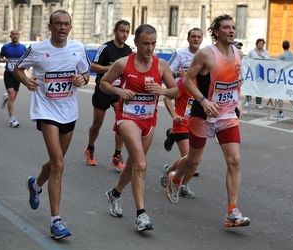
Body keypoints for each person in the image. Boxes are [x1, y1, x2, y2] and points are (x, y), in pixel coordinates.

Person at [165, 14, 250, 228]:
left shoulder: (238, 54)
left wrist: (237, 102)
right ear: (217, 31)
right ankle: (175, 179)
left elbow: (235, 83)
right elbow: (187, 81)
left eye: (233, 27)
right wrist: (203, 101)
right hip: (203, 114)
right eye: (226, 28)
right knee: (193, 159)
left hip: (227, 115)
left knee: (235, 160)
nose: (231, 31)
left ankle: (232, 211)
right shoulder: (205, 54)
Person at [14, 10, 91, 240]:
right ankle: (55, 221)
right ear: (49, 27)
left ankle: (36, 185)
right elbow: (18, 68)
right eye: (57, 23)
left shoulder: (78, 48)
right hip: (46, 110)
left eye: (66, 24)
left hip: (69, 112)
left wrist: (83, 78)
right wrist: (27, 80)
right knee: (58, 165)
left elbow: (86, 72)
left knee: (57, 163)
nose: (62, 27)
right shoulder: (37, 50)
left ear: (70, 27)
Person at [100, 24, 178, 231]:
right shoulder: (123, 63)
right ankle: (141, 215)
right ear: (136, 43)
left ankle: (114, 194)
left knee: (135, 165)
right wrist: (119, 91)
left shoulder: (161, 65)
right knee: (141, 164)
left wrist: (162, 89)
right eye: (145, 43)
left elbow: (175, 91)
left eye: (153, 43)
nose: (150, 48)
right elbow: (103, 83)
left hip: (148, 121)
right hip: (127, 118)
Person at [84, 20, 132, 171]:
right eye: (122, 31)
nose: (124, 34)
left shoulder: (128, 51)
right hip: (103, 89)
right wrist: (110, 69)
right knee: (97, 124)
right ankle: (90, 148)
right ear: (115, 31)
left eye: (127, 32)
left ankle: (117, 155)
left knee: (122, 124)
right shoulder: (106, 48)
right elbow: (92, 66)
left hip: (119, 92)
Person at [161, 28, 203, 198]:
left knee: (195, 161)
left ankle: (179, 180)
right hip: (180, 109)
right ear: (188, 39)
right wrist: (178, 74)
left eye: (199, 37)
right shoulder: (180, 55)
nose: (196, 39)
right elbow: (167, 75)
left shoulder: (204, 59)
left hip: (196, 120)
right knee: (189, 158)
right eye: (193, 36)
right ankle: (173, 174)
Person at [0, 29, 26, 128]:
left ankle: (6, 98)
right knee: (12, 95)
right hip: (9, 74)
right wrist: (2, 60)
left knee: (12, 97)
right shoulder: (5, 47)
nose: (15, 36)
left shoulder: (23, 48)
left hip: (18, 75)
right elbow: (0, 57)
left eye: (17, 34)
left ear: (19, 36)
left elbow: (26, 59)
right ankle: (12, 119)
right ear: (10, 36)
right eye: (13, 34)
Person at [276, 40, 293, 118]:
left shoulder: (282, 56)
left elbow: (278, 66)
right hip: (291, 77)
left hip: (283, 77)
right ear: (289, 46)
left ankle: (281, 112)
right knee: (288, 93)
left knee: (280, 94)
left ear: (282, 46)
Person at [244, 38, 269, 109]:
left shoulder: (265, 52)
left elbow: (268, 60)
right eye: (259, 44)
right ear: (257, 44)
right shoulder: (252, 52)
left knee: (259, 88)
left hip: (261, 72)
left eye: (262, 44)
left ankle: (258, 103)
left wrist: (263, 56)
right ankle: (248, 101)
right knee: (250, 86)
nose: (261, 45)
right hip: (252, 72)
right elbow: (246, 59)